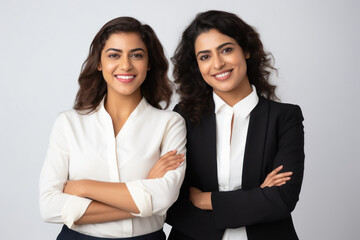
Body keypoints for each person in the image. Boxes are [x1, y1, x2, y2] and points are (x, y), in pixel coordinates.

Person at [39, 16, 186, 240]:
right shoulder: (69, 123)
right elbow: (49, 206)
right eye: (114, 55)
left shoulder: (170, 123)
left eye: (136, 55)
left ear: (148, 63)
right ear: (99, 63)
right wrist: (145, 193)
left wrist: (84, 187)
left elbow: (164, 197)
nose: (125, 65)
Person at [166, 10, 304, 240]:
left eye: (226, 50)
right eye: (205, 56)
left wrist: (206, 199)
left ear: (246, 50)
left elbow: (282, 199)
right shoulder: (183, 117)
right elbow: (172, 202)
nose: (218, 63)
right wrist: (258, 196)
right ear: (197, 66)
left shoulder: (285, 117)